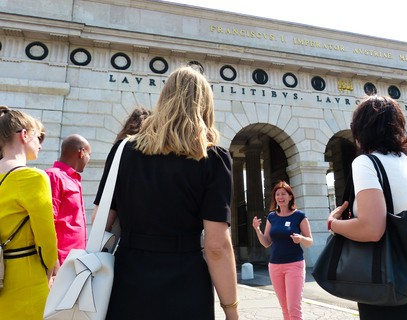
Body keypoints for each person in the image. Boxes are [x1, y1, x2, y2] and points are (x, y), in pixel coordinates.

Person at [93, 66, 239, 320]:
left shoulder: (123, 150)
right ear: (205, 105)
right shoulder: (213, 159)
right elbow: (217, 247)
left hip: (127, 282)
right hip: (186, 285)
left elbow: (99, 223)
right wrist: (231, 310)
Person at [327, 95, 407, 320]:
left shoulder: (366, 162)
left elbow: (372, 229)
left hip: (392, 295)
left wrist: (334, 223)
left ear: (361, 129)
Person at [0, 106, 58, 319]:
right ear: (24, 135)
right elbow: (46, 236)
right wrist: (52, 268)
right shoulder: (33, 178)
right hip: (25, 274)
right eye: (38, 137)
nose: (40, 145)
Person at [252, 180, 313, 320]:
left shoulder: (299, 216)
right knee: (285, 308)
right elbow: (267, 243)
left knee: (294, 309)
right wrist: (257, 230)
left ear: (290, 196)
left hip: (294, 265)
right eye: (277, 195)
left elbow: (310, 241)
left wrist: (301, 239)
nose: (280, 197)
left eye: (283, 194)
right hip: (275, 266)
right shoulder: (272, 217)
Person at [45, 134, 91, 266]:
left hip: (74, 259)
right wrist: (53, 262)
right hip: (60, 262)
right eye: (89, 154)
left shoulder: (72, 178)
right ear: (82, 153)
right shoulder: (54, 175)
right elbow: (48, 220)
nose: (89, 159)